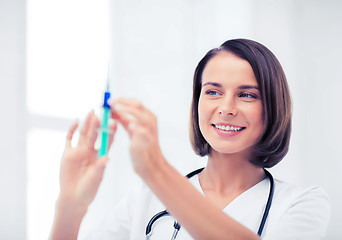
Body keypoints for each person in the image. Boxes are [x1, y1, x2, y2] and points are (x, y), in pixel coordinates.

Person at [49, 39, 330, 240]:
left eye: (247, 95)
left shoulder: (302, 203)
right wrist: (70, 206)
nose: (227, 108)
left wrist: (155, 170)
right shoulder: (144, 202)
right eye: (212, 92)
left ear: (273, 106)